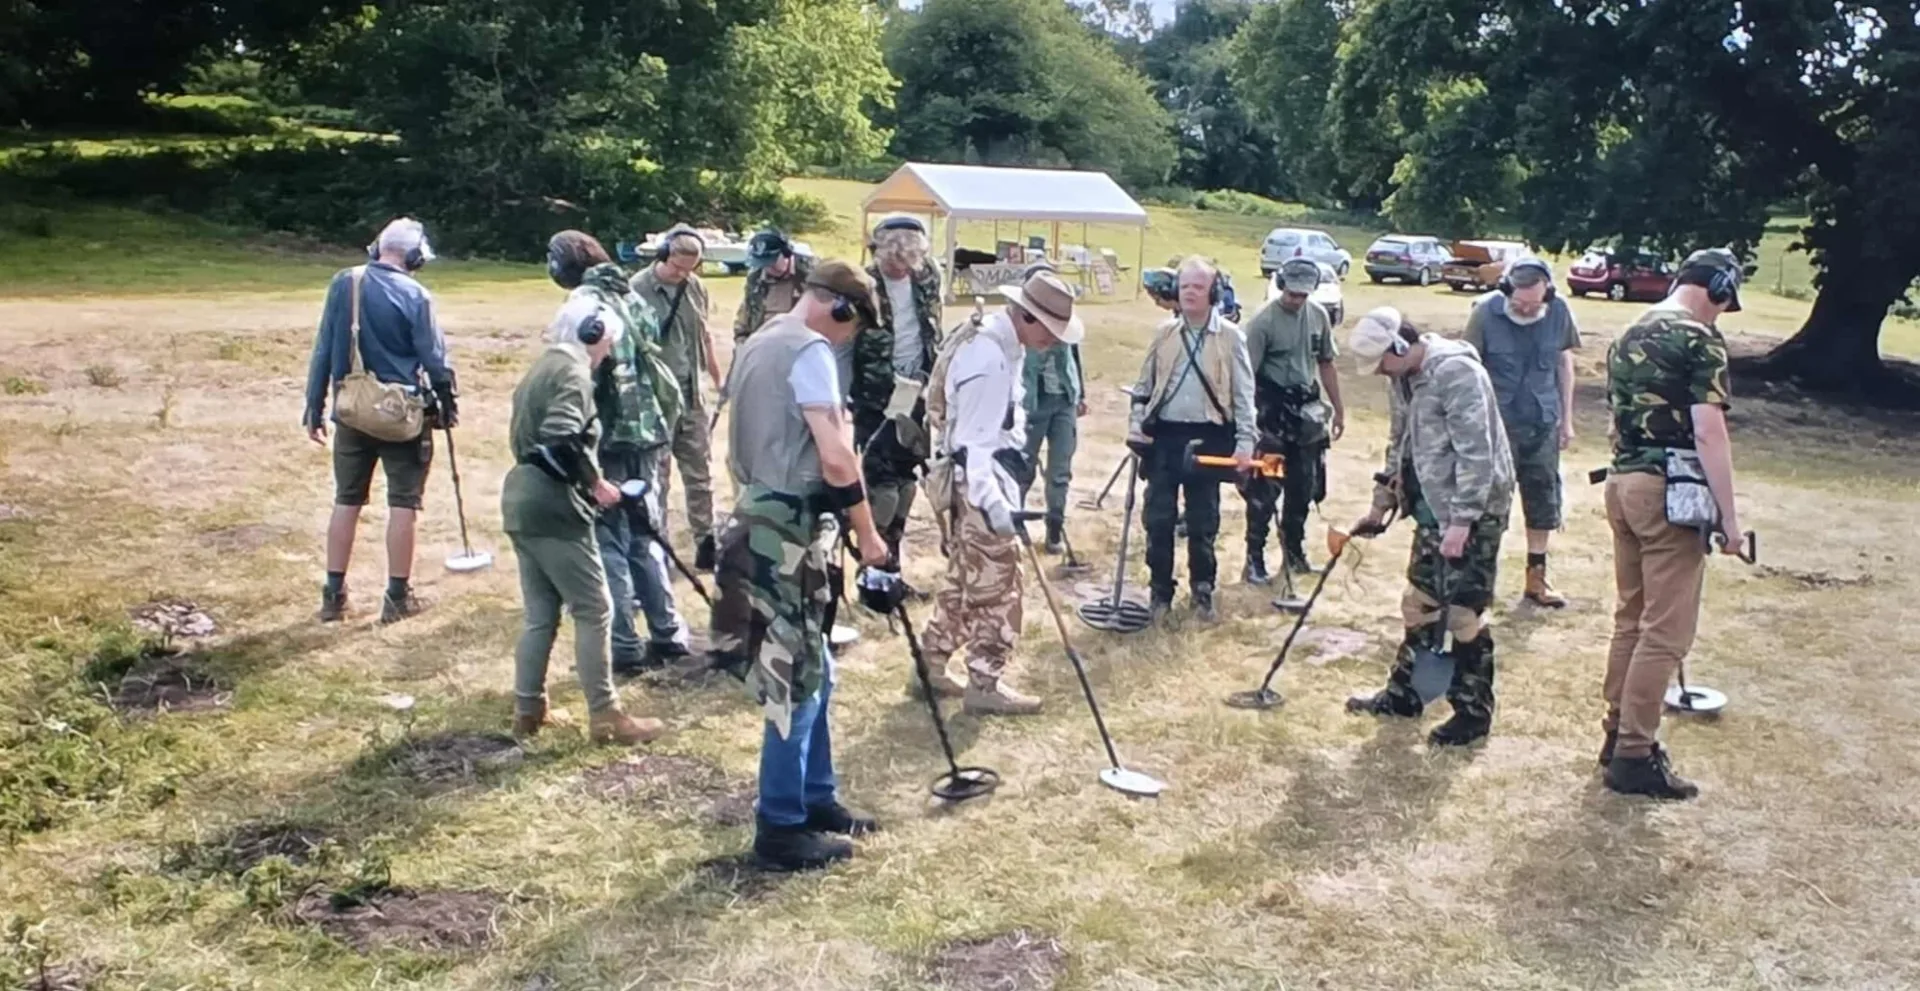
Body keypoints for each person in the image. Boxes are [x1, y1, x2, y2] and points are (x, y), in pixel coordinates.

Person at [707, 260, 889, 872]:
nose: (849, 338)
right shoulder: (810, 350)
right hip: (786, 523)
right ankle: (781, 825)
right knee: (796, 679)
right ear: (838, 308)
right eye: (854, 325)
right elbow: (836, 458)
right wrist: (869, 537)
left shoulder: (759, 341)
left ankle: (817, 797)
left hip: (761, 514)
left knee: (819, 668)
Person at [1598, 248, 1745, 800]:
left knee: (1630, 619)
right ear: (1720, 287)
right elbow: (1709, 432)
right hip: (1669, 493)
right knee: (1666, 631)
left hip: (1622, 483)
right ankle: (1635, 754)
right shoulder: (1699, 338)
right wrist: (1730, 519)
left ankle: (1615, 735)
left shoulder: (1628, 331)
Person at [1343, 306, 1515, 747]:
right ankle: (1404, 695)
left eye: (1383, 361)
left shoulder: (1457, 374)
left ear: (1401, 344)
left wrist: (1462, 522)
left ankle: (1472, 712)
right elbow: (1399, 442)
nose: (1380, 372)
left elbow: (1478, 451)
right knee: (1419, 602)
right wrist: (1381, 504)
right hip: (1430, 510)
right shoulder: (1402, 379)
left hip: (1472, 511)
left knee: (1462, 613)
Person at [500, 295, 664, 745]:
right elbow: (561, 435)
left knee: (540, 614)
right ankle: (606, 714)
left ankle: (528, 708)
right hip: (554, 507)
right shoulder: (573, 370)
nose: (608, 352)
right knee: (595, 608)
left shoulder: (542, 366)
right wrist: (595, 483)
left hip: (520, 499)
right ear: (593, 333)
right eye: (608, 342)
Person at [917, 270, 1083, 715]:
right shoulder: (989, 361)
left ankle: (930, 663)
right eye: (1051, 328)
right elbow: (975, 443)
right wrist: (995, 507)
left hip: (976, 481)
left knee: (962, 579)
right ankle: (984, 683)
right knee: (1001, 589)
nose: (1055, 340)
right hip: (980, 487)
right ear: (1027, 317)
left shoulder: (994, 344)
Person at [547, 230, 689, 674]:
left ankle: (624, 644)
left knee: (608, 540)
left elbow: (572, 378)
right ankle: (668, 632)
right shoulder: (631, 296)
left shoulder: (580, 308)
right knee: (646, 533)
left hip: (606, 436)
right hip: (648, 432)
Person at [302, 217, 455, 625]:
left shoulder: (344, 283)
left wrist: (313, 405)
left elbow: (323, 347)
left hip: (352, 410)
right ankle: (397, 597)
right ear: (415, 256)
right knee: (404, 504)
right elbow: (435, 361)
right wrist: (447, 401)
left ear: (377, 248)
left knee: (346, 499)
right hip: (403, 416)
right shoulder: (418, 296)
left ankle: (333, 597)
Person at [1125, 256, 1258, 622]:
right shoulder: (1163, 334)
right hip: (1165, 437)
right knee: (1158, 519)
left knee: (1202, 522)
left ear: (1213, 292)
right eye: (1185, 287)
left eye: (1198, 287)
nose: (1190, 294)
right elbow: (1142, 389)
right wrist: (1137, 424)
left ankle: (1202, 592)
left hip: (1209, 440)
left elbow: (1245, 397)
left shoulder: (1232, 339)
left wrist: (1245, 445)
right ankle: (1159, 594)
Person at [1462, 256, 1581, 608]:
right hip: (1495, 425)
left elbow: (1564, 363)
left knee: (1544, 498)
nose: (1528, 310)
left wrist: (1567, 419)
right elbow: (1469, 368)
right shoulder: (1484, 313)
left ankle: (1536, 580)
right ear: (1506, 291)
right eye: (1520, 303)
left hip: (1543, 421)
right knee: (1490, 503)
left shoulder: (1559, 311)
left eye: (1535, 303)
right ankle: (1479, 582)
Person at [1239, 257, 1346, 585]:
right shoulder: (1262, 322)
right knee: (1265, 490)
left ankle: (1295, 553)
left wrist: (1339, 409)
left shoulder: (1318, 317)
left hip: (1307, 415)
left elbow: (1326, 362)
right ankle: (1254, 558)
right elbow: (1246, 376)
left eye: (1303, 295)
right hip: (1271, 416)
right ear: (1281, 285)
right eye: (1292, 293)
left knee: (1304, 486)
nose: (1296, 300)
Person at [631, 225, 722, 570]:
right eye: (677, 267)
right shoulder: (637, 290)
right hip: (656, 399)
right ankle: (660, 547)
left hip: (692, 395)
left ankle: (706, 542)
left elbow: (705, 335)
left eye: (690, 269)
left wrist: (718, 379)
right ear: (662, 255)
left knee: (700, 473)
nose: (683, 275)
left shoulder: (695, 288)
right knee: (658, 476)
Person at [854, 216, 944, 569]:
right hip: (874, 396)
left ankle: (892, 567)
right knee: (880, 483)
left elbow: (933, 323)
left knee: (907, 477)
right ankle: (873, 572)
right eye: (892, 264)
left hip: (917, 392)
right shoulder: (862, 284)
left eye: (906, 264)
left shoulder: (927, 275)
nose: (899, 271)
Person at [1015, 260, 1085, 554]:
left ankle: (1054, 526)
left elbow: (1075, 355)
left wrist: (1081, 394)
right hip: (1033, 402)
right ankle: (1015, 521)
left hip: (1064, 401)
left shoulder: (1063, 320)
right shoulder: (1024, 324)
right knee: (1023, 464)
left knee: (1060, 468)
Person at [734, 229, 812, 342]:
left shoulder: (813, 274)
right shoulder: (756, 278)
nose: (767, 267)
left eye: (772, 261)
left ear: (786, 253)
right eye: (762, 263)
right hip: (764, 345)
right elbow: (744, 321)